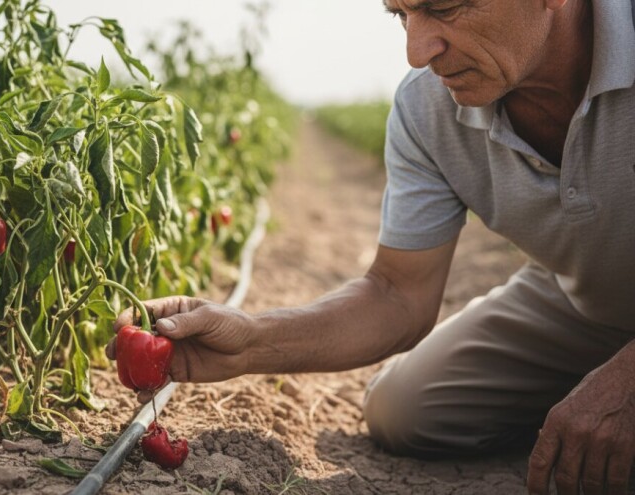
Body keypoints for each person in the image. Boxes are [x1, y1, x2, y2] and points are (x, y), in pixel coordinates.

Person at [106, 0, 635, 493]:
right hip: (582, 293)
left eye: (444, 7)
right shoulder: (426, 109)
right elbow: (397, 294)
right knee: (405, 409)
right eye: (400, 14)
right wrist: (250, 340)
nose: (417, 52)